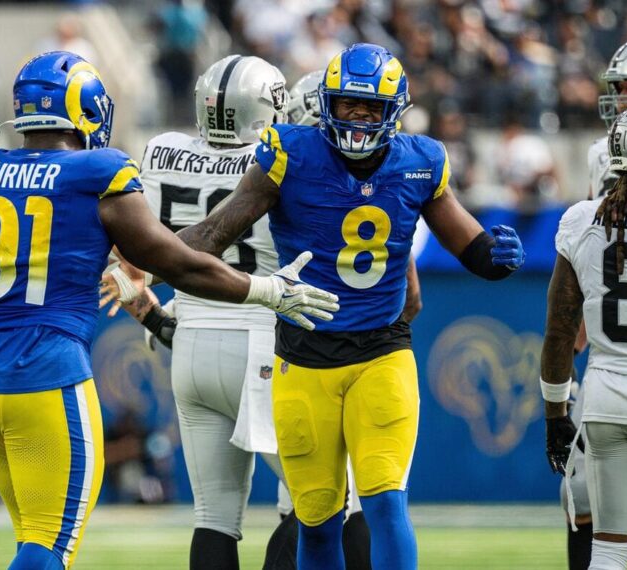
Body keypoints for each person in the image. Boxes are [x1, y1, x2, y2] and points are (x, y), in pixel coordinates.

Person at [0, 51, 338, 570]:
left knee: (34, 537)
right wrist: (267, 291)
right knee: (48, 546)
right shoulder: (99, 171)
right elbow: (180, 264)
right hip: (50, 378)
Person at [170, 43, 525, 570]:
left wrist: (494, 255)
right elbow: (218, 230)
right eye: (346, 105)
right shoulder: (289, 151)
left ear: (394, 112)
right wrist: (149, 255)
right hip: (302, 357)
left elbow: (467, 243)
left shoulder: (421, 162)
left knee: (384, 500)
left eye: (369, 108)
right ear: (327, 104)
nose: (357, 118)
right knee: (316, 519)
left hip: (380, 354)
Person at [541, 102, 627, 570]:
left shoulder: (582, 220)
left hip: (605, 399)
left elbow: (561, 329)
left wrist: (555, 412)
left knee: (609, 547)